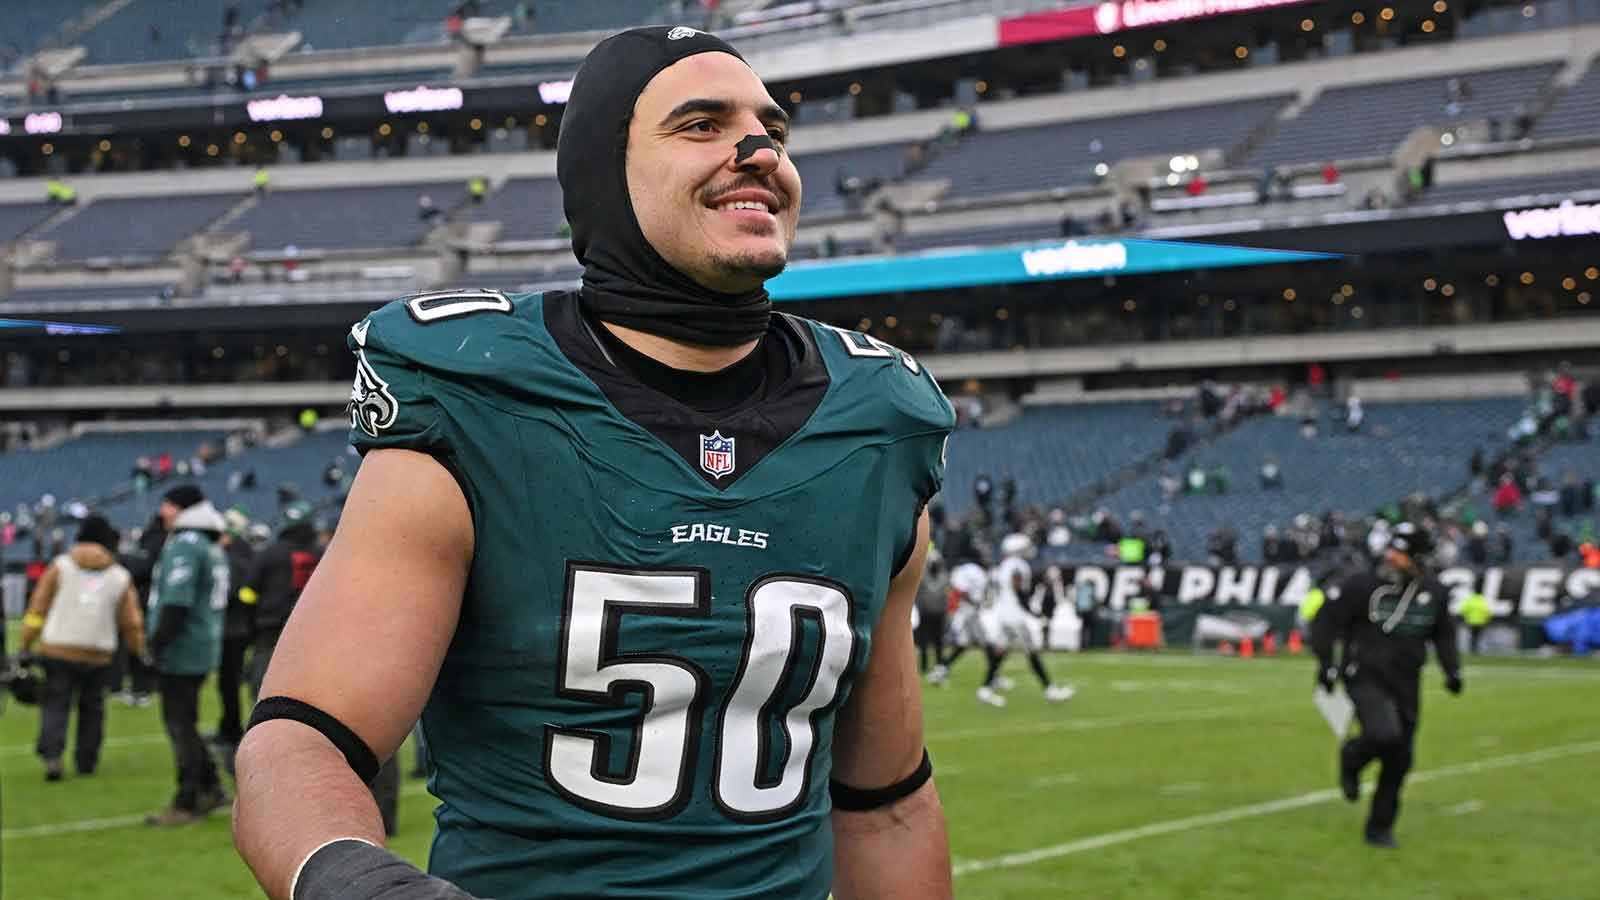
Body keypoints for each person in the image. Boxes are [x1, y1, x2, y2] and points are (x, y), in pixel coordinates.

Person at [234, 26, 955, 900]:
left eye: (772, 129)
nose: (760, 152)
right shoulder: (479, 397)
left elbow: (885, 804)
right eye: (702, 125)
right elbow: (301, 739)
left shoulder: (877, 422)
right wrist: (363, 884)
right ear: (603, 170)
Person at [1311, 522, 1463, 849]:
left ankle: (1379, 827)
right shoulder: (1362, 585)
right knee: (1383, 733)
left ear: (1418, 557)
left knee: (1399, 758)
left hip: (1406, 680)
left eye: (1400, 552)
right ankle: (1352, 757)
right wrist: (1326, 663)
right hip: (1365, 673)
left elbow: (1444, 634)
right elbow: (1325, 620)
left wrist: (1452, 670)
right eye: (1390, 549)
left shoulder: (1434, 593)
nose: (1391, 557)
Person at [17, 515, 145, 781]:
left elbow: (38, 608)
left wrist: (26, 643)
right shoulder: (119, 576)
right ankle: (86, 760)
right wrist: (138, 650)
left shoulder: (60, 566)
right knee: (92, 708)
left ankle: (52, 757)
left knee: (56, 704)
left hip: (58, 648)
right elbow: (131, 622)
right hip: (98, 652)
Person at [144, 486, 231, 826]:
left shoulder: (186, 544)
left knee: (180, 726)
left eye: (167, 504)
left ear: (182, 508)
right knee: (187, 722)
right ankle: (211, 786)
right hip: (202, 643)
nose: (162, 512)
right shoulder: (209, 543)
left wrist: (156, 646)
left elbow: (177, 601)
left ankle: (189, 798)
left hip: (183, 647)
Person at [241, 501, 320, 697]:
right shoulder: (322, 554)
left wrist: (250, 620)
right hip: (311, 630)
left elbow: (248, 592)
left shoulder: (269, 553)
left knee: (263, 683)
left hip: (270, 627)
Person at [983, 534, 1074, 704]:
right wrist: (1032, 611)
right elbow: (1018, 590)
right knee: (1032, 652)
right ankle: (1050, 690)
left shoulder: (1003, 565)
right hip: (1014, 616)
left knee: (1001, 651)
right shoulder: (1017, 566)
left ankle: (985, 689)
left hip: (1004, 614)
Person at [212, 508, 257, 770]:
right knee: (227, 683)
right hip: (237, 628)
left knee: (228, 683)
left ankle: (231, 729)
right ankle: (228, 725)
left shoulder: (236, 558)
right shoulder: (244, 554)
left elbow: (232, 591)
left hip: (233, 629)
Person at [914, 550, 951, 681]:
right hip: (925, 613)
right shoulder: (924, 577)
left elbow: (946, 597)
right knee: (924, 641)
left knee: (938, 641)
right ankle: (924, 666)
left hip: (938, 614)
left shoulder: (943, 577)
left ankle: (939, 664)